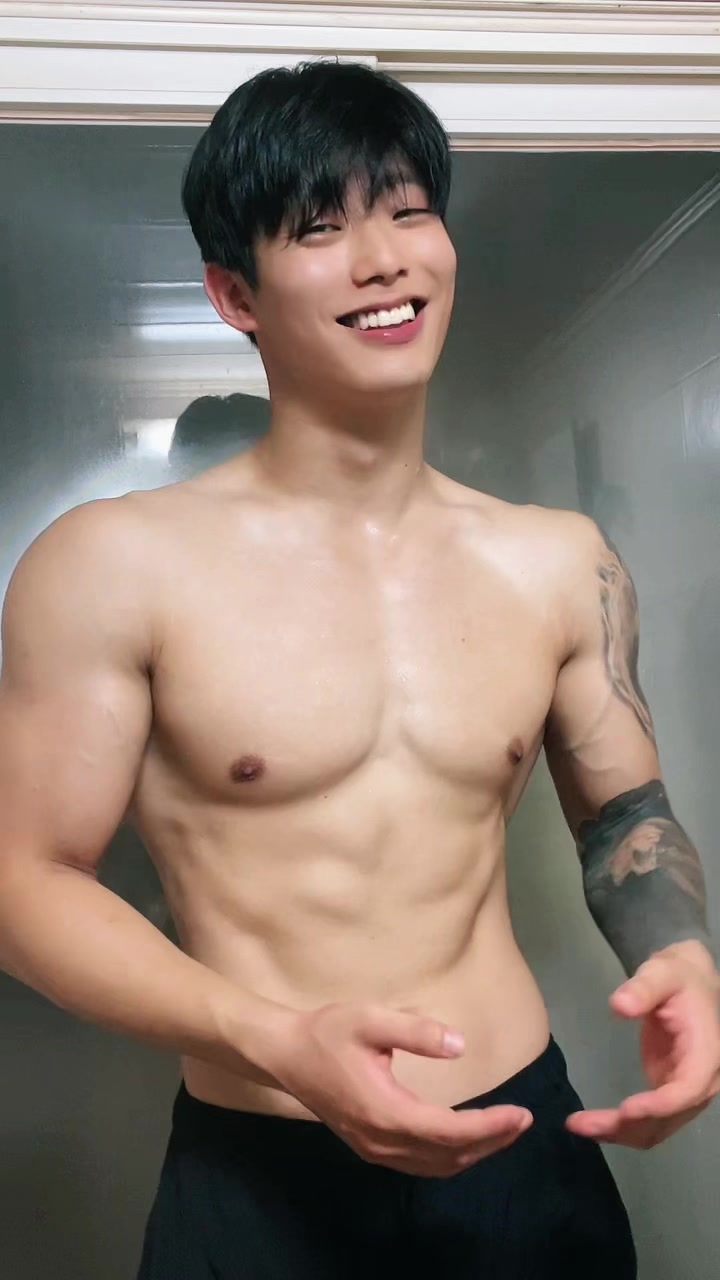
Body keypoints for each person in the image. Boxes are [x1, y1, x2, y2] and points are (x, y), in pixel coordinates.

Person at [0, 60, 718, 1280]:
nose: (384, 259)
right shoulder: (112, 563)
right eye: (321, 228)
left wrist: (681, 957)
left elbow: (626, 819)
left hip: (521, 1155)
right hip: (261, 1173)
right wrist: (270, 1035)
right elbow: (24, 880)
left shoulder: (558, 560)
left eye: (408, 211)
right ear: (235, 292)